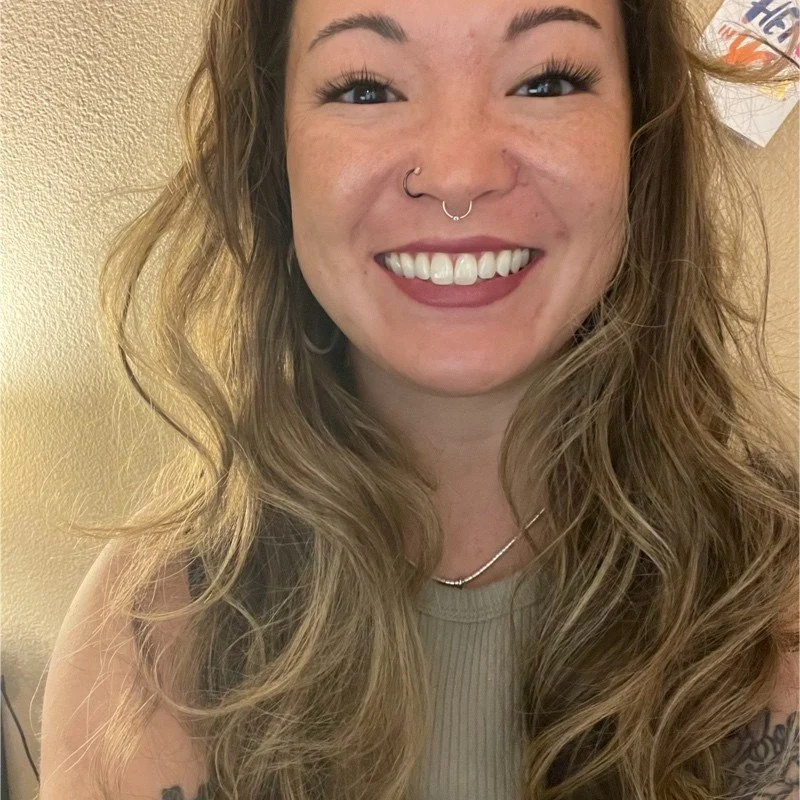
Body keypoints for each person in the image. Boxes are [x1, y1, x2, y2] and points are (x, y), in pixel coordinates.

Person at [40, 0, 799, 798]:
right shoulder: (149, 631)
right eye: (367, 89)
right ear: (275, 153)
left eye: (546, 80)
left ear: (640, 138)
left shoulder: (772, 606)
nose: (459, 172)